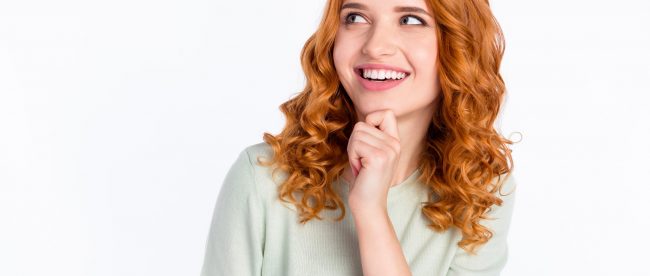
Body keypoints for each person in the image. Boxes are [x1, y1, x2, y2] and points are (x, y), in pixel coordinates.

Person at [200, 0, 516, 275]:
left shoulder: (481, 191)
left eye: (410, 19)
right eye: (355, 17)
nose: (376, 46)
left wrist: (371, 213)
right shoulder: (261, 178)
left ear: (461, 42)